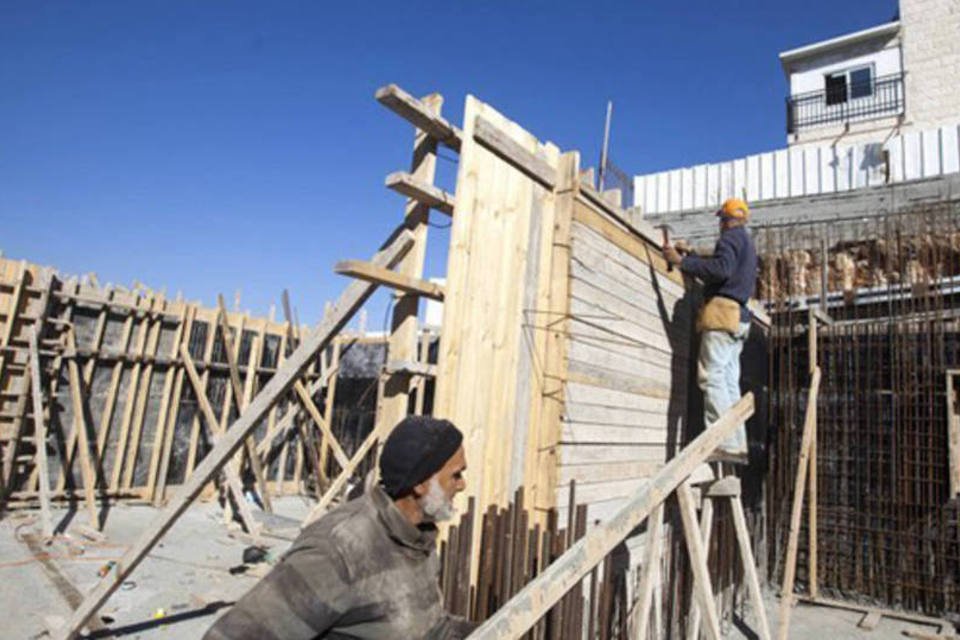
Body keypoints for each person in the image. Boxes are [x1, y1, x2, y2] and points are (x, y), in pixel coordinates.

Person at [204, 416, 477, 639]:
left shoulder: (418, 539)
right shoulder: (340, 550)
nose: (462, 484)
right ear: (421, 484)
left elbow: (429, 628)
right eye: (456, 474)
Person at [663, 198, 758, 464]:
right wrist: (691, 258)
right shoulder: (746, 244)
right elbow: (726, 268)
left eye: (721, 220)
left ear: (726, 219)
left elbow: (720, 269)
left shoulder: (729, 239)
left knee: (712, 377)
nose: (720, 225)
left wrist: (681, 263)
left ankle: (722, 442)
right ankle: (736, 443)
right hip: (739, 318)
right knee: (728, 382)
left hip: (721, 315)